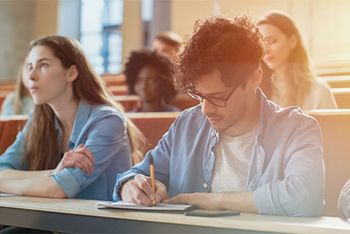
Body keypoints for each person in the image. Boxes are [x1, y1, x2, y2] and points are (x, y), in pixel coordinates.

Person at [114, 16, 325, 217]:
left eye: (218, 98)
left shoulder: (297, 128)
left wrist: (214, 200)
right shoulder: (188, 124)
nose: (205, 110)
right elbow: (133, 175)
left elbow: (306, 198)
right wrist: (130, 187)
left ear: (254, 79)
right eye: (199, 96)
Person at [0, 35, 144, 201]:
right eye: (30, 66)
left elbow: (60, 188)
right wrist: (53, 173)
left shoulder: (108, 121)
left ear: (71, 73)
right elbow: (3, 167)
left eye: (43, 65)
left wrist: (8, 182)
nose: (31, 75)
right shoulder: (38, 119)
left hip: (96, 225)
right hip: (50, 221)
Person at [257, 11, 337, 109]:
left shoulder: (319, 91)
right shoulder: (256, 91)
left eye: (272, 41)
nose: (266, 50)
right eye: (261, 44)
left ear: (293, 41)